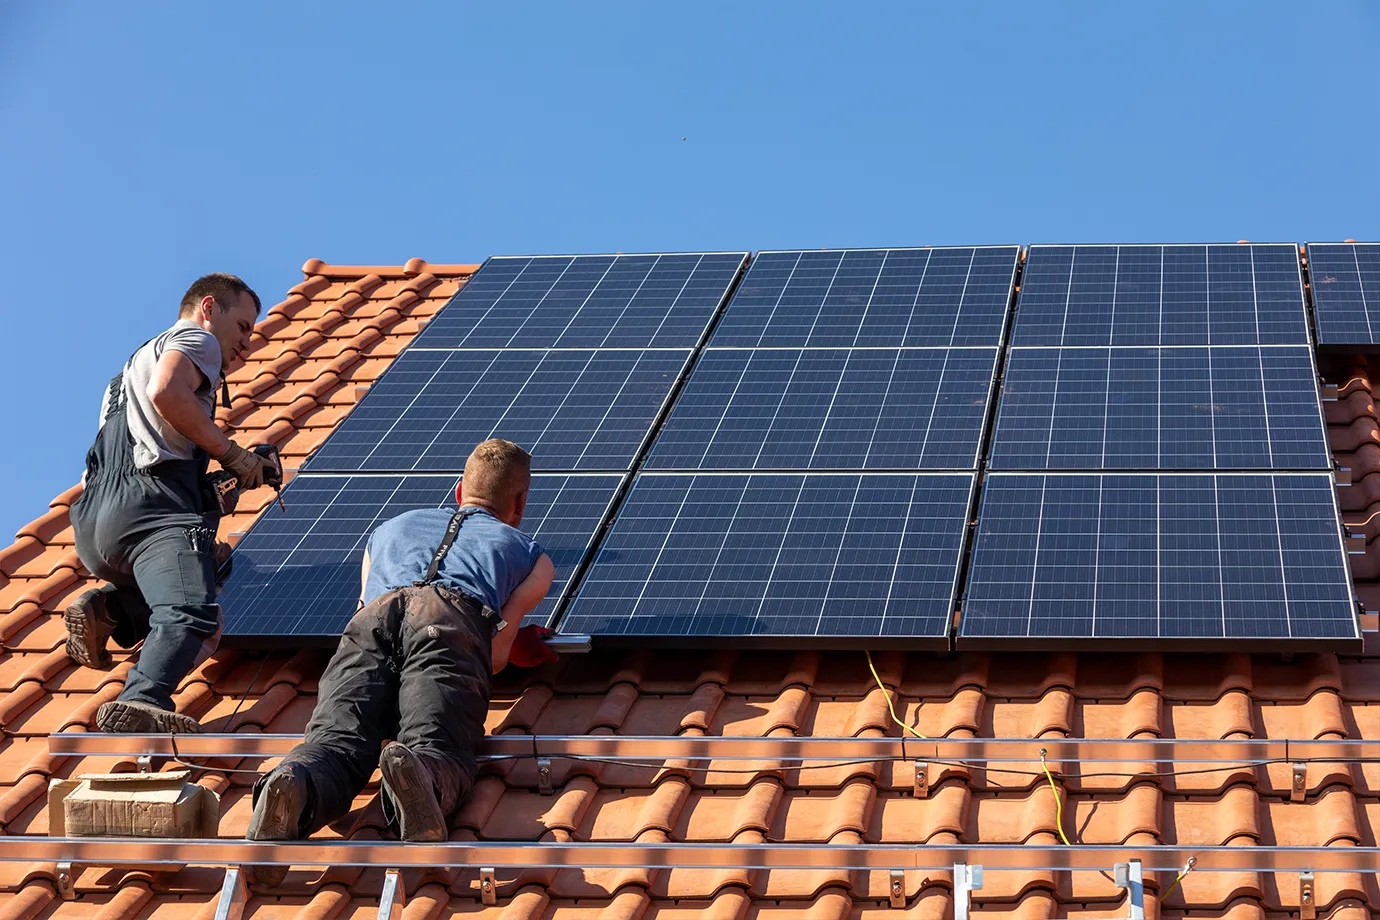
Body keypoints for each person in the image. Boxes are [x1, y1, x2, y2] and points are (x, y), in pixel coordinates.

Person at [245, 438, 558, 885]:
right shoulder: (531, 556)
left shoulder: (387, 530)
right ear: (520, 503)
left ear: (457, 490)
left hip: (371, 621)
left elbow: (362, 610)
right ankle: (422, 773)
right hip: (449, 621)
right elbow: (496, 655)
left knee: (336, 742)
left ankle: (297, 780)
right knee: (440, 742)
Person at [66, 273, 279, 734]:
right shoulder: (197, 339)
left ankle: (113, 610)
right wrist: (233, 454)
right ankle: (140, 702)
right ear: (209, 308)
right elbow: (167, 393)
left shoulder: (125, 372)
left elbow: (152, 444)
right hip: (152, 511)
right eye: (242, 326)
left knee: (210, 565)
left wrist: (224, 480)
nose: (248, 341)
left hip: (96, 523)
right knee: (193, 614)